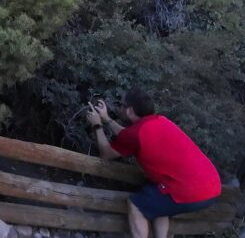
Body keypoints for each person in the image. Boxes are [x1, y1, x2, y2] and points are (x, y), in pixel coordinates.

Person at [86, 89, 221, 238]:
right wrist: (107, 119)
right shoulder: (159, 120)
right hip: (212, 186)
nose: (120, 108)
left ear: (130, 111)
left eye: (122, 105)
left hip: (191, 191)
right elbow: (128, 136)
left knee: (136, 205)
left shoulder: (136, 134)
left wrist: (97, 125)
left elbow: (106, 153)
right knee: (156, 198)